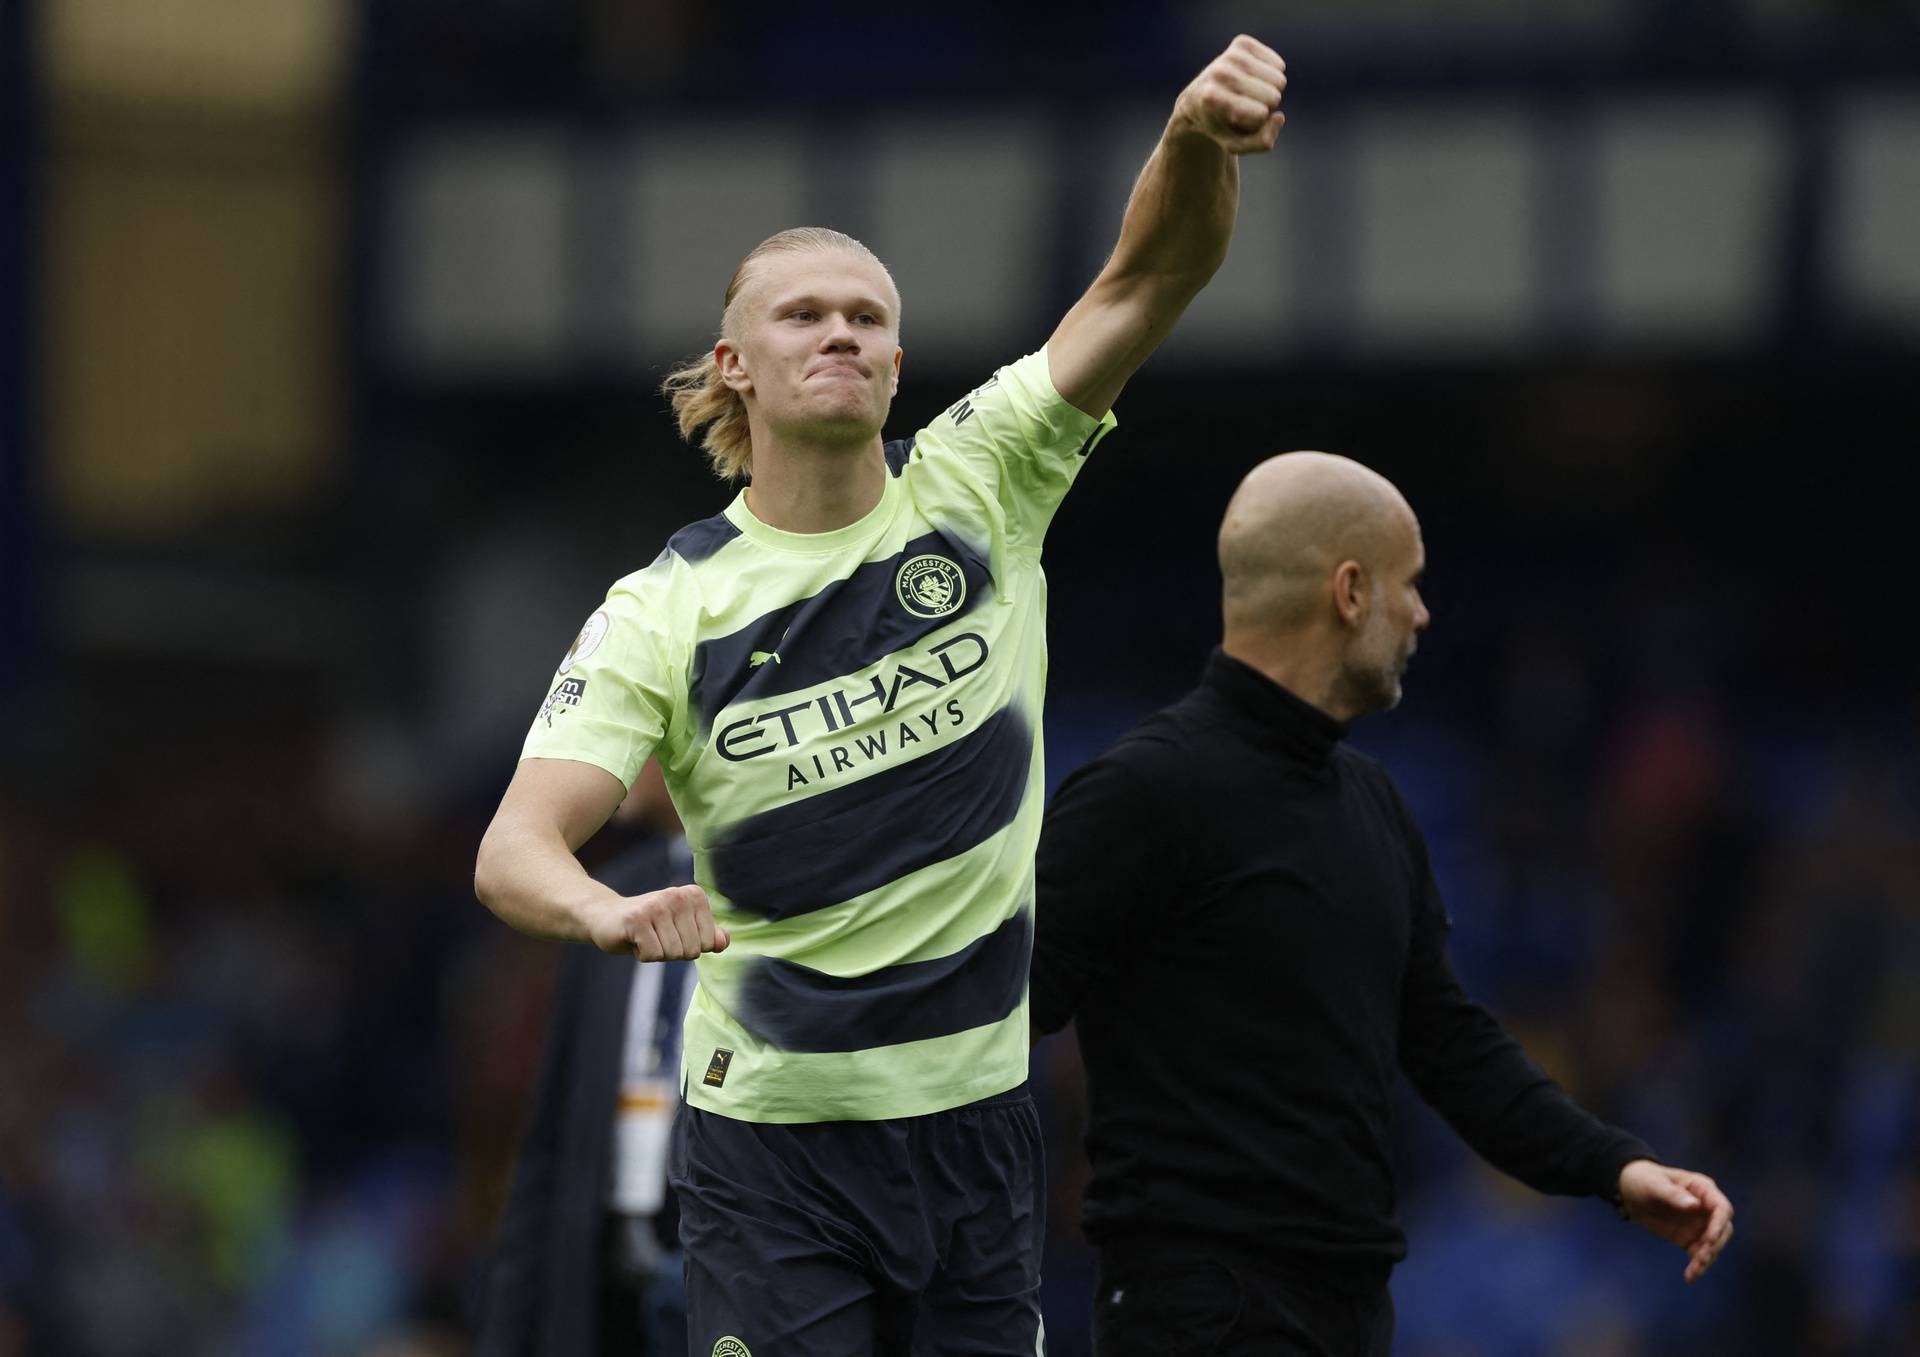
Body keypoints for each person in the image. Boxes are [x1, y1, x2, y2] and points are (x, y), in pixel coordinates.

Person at [473, 35, 1291, 1356]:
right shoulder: (665, 606)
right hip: (772, 1148)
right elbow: (515, 848)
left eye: (867, 316)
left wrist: (1193, 140)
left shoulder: (982, 480)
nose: (841, 331)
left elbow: (1149, 277)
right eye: (804, 314)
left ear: (900, 365)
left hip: (975, 1126)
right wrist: (609, 914)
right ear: (735, 365)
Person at [1028, 451, 1737, 1357]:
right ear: (1351, 590)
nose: (1423, 613)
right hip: (1197, 1318)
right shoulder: (1144, 794)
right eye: (1410, 584)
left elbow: (1448, 1042)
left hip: (1351, 1311)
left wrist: (1614, 1165)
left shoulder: (1373, 803)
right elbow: (992, 1026)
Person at [473, 761, 692, 1357]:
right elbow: (549, 1142)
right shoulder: (601, 895)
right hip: (610, 1293)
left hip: (747, 1284)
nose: (605, 756)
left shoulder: (797, 892)